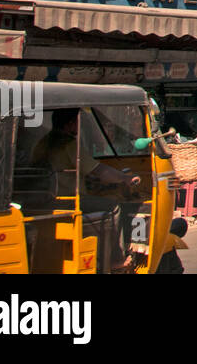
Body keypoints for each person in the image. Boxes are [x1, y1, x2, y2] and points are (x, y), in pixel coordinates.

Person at [31, 108, 143, 272]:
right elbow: (98, 171)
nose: (79, 126)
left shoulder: (44, 142)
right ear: (70, 124)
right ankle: (115, 259)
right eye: (77, 122)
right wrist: (124, 178)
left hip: (46, 200)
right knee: (113, 207)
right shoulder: (69, 144)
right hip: (67, 201)